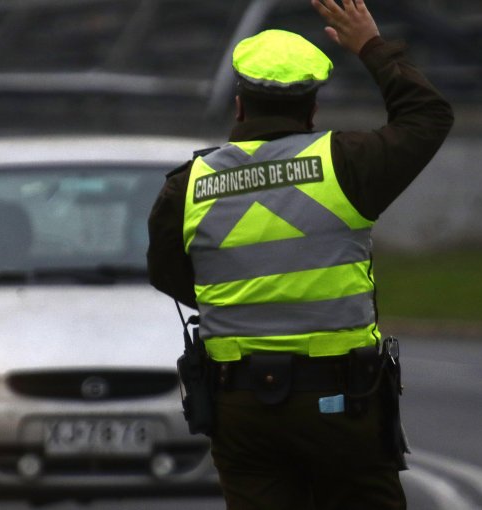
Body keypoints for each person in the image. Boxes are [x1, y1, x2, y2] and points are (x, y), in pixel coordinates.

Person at [148, 0, 453, 508]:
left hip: (241, 404)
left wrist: (246, 298)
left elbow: (168, 275)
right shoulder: (346, 165)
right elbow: (428, 116)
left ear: (240, 105)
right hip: (342, 401)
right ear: (311, 109)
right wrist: (371, 46)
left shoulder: (188, 188)